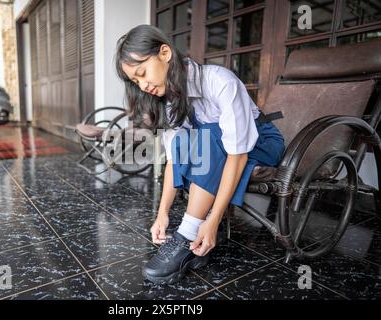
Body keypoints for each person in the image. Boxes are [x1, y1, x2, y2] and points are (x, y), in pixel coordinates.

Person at [115, 24, 285, 284]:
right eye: (135, 81)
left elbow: (236, 155)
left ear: (164, 53)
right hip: (218, 148)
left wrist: (213, 220)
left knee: (207, 135)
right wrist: (162, 213)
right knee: (186, 139)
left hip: (261, 144)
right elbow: (175, 157)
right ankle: (193, 240)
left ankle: (186, 236)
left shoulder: (219, 81)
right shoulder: (172, 101)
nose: (143, 84)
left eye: (142, 73)